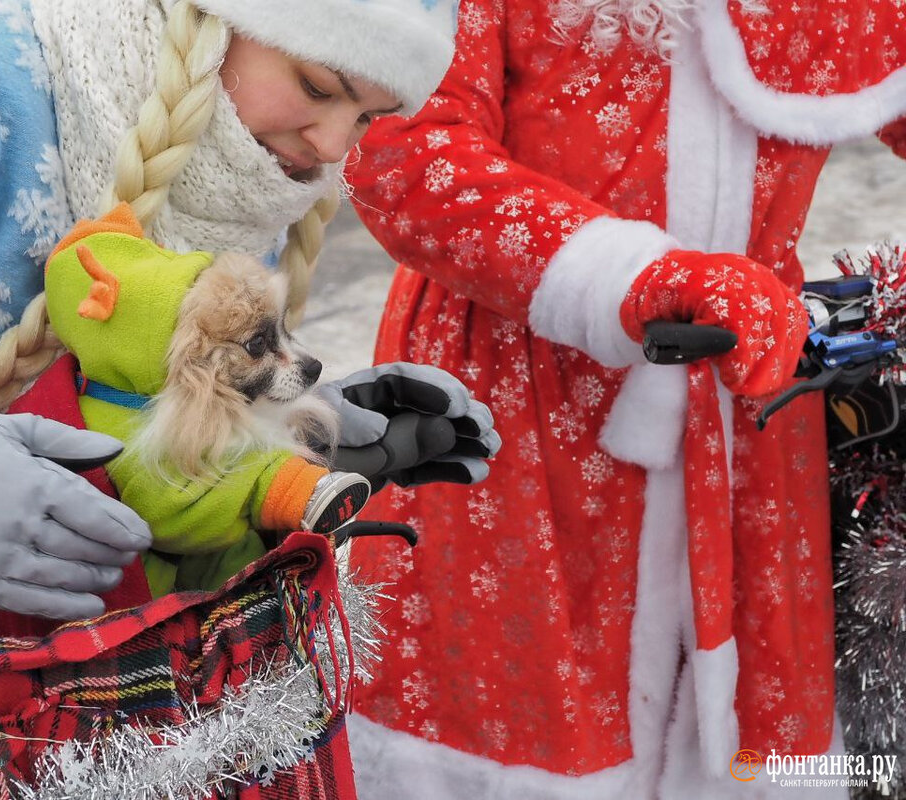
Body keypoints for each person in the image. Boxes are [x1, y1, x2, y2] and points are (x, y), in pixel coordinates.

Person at [0, 0, 500, 795]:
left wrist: (287, 436)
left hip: (49, 726)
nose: (331, 149)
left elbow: (134, 419)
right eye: (319, 85)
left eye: (368, 118)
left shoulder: (244, 164)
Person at [344, 0, 906, 797]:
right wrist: (631, 277)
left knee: (749, 748)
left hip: (751, 395)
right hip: (518, 413)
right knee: (514, 748)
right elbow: (395, 147)